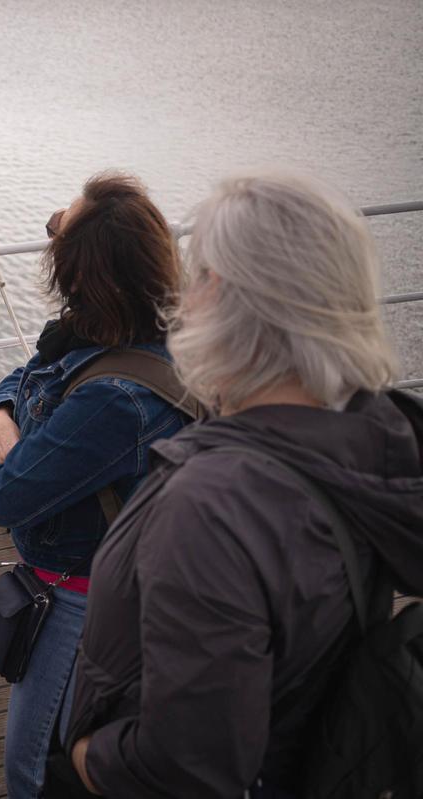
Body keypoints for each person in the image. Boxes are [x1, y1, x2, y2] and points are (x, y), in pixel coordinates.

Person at [61, 171, 423, 798]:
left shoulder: (212, 506)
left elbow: (187, 770)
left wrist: (88, 758)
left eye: (196, 274)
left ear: (220, 293)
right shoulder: (379, 438)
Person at [0, 173, 192, 798]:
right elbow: (21, 379)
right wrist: (0, 414)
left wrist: (1, 430)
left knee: (35, 769)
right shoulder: (116, 341)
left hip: (82, 604)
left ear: (81, 274)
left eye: (56, 237)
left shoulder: (112, 400)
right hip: (116, 583)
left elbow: (0, 497)